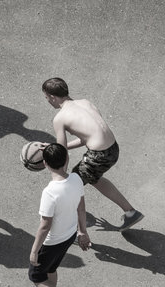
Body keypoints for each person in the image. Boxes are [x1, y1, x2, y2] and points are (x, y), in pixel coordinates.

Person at [42, 77, 144, 231]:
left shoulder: (60, 118)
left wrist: (61, 176)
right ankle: (131, 213)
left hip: (98, 156)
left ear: (53, 97)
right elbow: (87, 138)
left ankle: (65, 227)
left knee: (69, 187)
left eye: (46, 98)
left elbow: (61, 154)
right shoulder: (85, 102)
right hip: (113, 149)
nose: (47, 101)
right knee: (94, 178)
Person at [28, 143, 91, 287]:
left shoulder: (50, 192)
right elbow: (81, 208)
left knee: (36, 276)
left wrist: (34, 250)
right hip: (69, 235)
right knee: (51, 269)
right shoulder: (76, 179)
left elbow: (45, 225)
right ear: (67, 160)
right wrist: (83, 232)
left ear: (44, 164)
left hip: (52, 241)